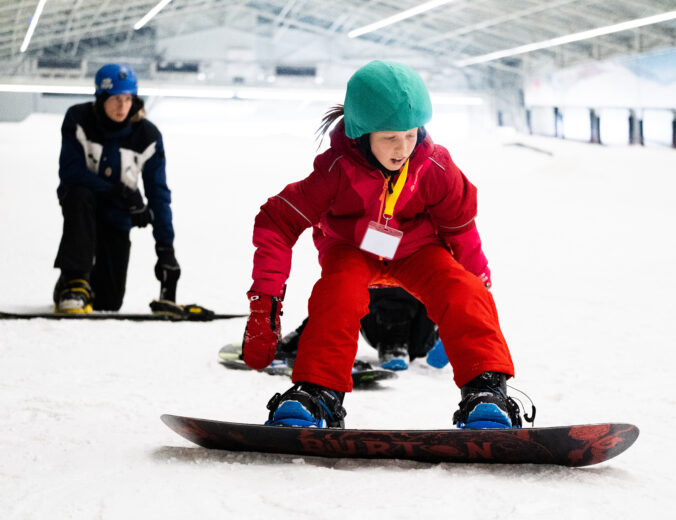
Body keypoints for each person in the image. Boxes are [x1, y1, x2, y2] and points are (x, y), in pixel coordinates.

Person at [242, 60, 526, 430]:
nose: (403, 147)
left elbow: (461, 230)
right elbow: (277, 221)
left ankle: (487, 394)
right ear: (362, 132)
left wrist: (480, 293)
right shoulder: (335, 170)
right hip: (351, 251)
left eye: (411, 134)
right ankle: (317, 393)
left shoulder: (435, 168)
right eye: (390, 136)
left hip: (418, 252)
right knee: (337, 295)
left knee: (465, 291)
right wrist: (265, 306)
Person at [52, 64, 180, 313]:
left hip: (118, 216)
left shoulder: (148, 136)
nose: (122, 107)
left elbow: (158, 195)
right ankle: (74, 280)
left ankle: (79, 286)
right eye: (115, 99)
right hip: (83, 207)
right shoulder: (78, 119)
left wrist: (166, 250)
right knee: (79, 194)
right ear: (101, 97)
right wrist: (124, 192)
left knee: (108, 302)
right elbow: (70, 171)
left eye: (127, 99)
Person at [277, 287, 441, 371]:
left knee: (413, 253)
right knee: (358, 268)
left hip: (415, 328)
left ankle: (397, 338)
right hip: (376, 314)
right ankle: (312, 334)